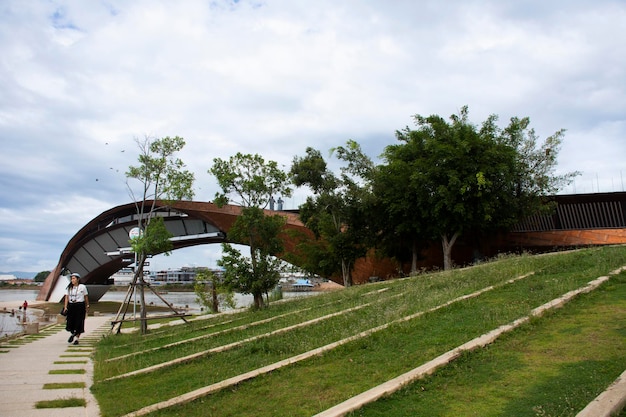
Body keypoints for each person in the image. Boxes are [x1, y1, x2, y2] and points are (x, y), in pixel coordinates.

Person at [64, 272, 89, 345]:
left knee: (79, 322)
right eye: (71, 278)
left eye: (74, 278)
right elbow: (66, 297)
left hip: (80, 306)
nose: (72, 280)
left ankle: (76, 339)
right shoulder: (69, 288)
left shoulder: (82, 287)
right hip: (71, 306)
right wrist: (65, 307)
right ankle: (73, 333)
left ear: (78, 279)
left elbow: (86, 296)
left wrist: (87, 305)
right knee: (70, 322)